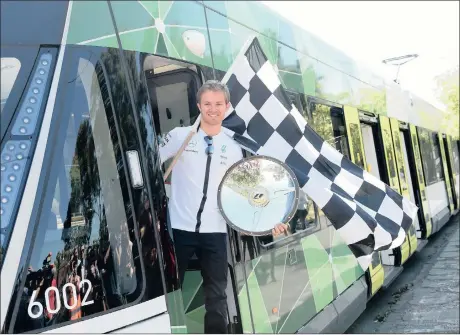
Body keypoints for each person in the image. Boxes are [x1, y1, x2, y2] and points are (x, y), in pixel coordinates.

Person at [158, 80, 288, 333]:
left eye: (218, 104)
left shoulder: (233, 146)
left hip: (215, 231)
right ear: (198, 106)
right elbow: (145, 161)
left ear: (227, 106)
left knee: (217, 298)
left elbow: (245, 193)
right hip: (178, 229)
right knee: (170, 295)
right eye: (207, 103)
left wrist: (271, 220)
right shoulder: (179, 136)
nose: (213, 109)